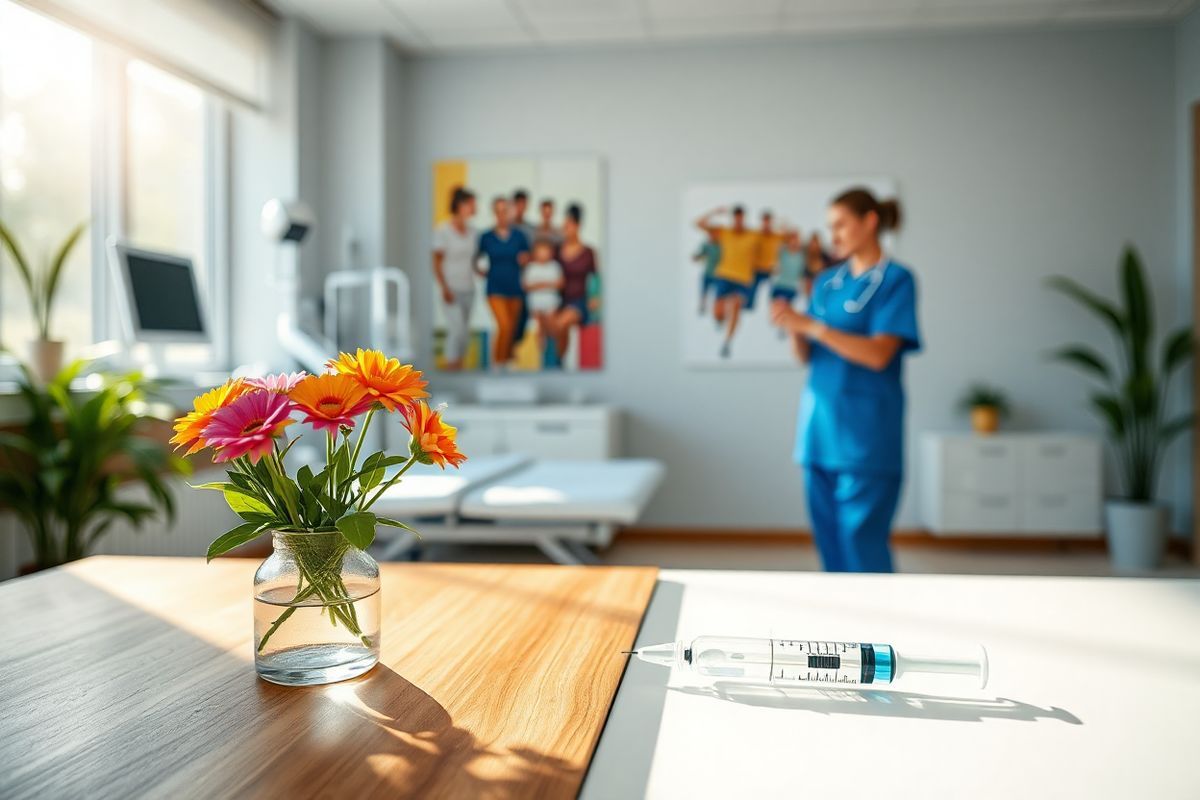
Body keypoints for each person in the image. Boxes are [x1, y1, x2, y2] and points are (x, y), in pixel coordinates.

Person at [769, 188, 921, 573]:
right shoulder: (826, 282)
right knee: (830, 548)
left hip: (866, 437)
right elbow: (806, 357)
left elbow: (878, 354)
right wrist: (793, 329)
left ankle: (880, 632)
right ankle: (842, 633)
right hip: (819, 433)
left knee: (862, 546)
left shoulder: (896, 280)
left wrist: (813, 327)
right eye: (829, 227)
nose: (833, 235)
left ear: (870, 222)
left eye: (840, 225)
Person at [695, 205, 760, 359]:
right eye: (736, 218)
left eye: (741, 218)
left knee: (736, 306)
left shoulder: (753, 234)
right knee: (718, 310)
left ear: (744, 218)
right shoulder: (725, 232)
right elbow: (699, 224)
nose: (738, 221)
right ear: (733, 219)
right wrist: (714, 212)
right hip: (724, 275)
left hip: (743, 278)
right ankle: (719, 320)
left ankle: (727, 342)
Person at [476, 196, 530, 368]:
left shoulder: (520, 236)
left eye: (504, 211)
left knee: (512, 330)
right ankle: (498, 365)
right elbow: (477, 259)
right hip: (495, 287)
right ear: (494, 213)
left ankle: (507, 366)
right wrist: (479, 269)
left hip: (515, 288)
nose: (501, 215)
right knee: (504, 326)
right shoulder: (486, 237)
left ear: (510, 212)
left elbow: (528, 258)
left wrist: (525, 259)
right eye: (498, 212)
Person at [431, 186, 478, 370]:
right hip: (451, 288)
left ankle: (459, 368)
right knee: (456, 331)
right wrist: (444, 288)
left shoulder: (473, 232)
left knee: (464, 334)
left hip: (469, 288)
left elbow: (473, 260)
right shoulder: (443, 230)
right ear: (461, 205)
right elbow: (436, 262)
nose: (475, 208)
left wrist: (481, 271)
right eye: (472, 204)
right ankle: (451, 370)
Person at [549, 203, 598, 364]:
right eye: (564, 226)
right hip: (560, 300)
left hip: (580, 302)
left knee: (561, 323)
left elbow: (596, 277)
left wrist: (595, 297)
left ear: (577, 226)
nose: (565, 230)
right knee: (557, 327)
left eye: (568, 226)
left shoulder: (589, 252)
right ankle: (560, 362)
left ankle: (558, 362)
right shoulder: (557, 251)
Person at [522, 238, 564, 361]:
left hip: (551, 304)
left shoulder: (555, 266)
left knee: (552, 326)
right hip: (536, 304)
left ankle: (555, 354)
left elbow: (560, 284)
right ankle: (540, 354)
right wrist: (547, 284)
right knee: (538, 328)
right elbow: (526, 286)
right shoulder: (531, 267)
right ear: (535, 253)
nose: (543, 254)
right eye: (540, 251)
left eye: (546, 251)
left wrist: (540, 285)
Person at [770, 229, 805, 338]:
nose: (794, 242)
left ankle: (784, 325)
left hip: (792, 287)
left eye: (796, 239)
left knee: (787, 309)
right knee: (778, 307)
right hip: (779, 285)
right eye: (792, 239)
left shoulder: (802, 255)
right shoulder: (782, 251)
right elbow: (777, 242)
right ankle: (780, 325)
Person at [746, 210, 783, 311]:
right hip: (756, 269)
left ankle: (774, 310)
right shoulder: (755, 235)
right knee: (751, 293)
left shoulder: (776, 236)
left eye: (768, 221)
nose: (766, 224)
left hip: (770, 270)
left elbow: (789, 237)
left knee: (774, 293)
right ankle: (749, 307)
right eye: (765, 221)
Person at [692, 227, 721, 315]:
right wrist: (697, 257)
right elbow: (699, 254)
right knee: (704, 291)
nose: (711, 236)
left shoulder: (721, 245)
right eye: (710, 234)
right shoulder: (706, 245)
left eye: (714, 234)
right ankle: (702, 305)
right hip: (708, 273)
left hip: (718, 275)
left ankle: (718, 310)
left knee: (719, 294)